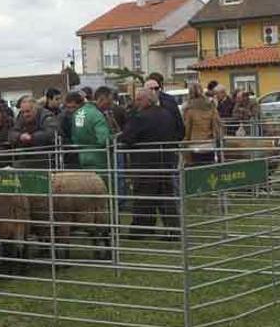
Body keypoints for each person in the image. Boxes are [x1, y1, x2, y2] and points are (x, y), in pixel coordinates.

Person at [119, 89, 183, 239]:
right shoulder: (166, 115)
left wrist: (121, 139)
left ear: (146, 101)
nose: (136, 103)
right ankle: (173, 230)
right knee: (166, 197)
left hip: (145, 163)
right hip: (165, 161)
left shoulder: (140, 117)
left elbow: (127, 137)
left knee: (143, 196)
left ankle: (141, 229)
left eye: (138, 100)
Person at [69, 89, 111, 171]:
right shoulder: (97, 115)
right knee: (101, 182)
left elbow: (74, 137)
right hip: (98, 157)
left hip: (82, 156)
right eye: (108, 102)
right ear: (101, 99)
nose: (109, 105)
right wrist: (114, 138)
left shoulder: (77, 113)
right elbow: (104, 139)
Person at [183, 82, 221, 164]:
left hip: (194, 145)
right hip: (209, 145)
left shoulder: (189, 109)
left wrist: (185, 143)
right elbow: (216, 126)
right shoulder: (211, 106)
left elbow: (187, 130)